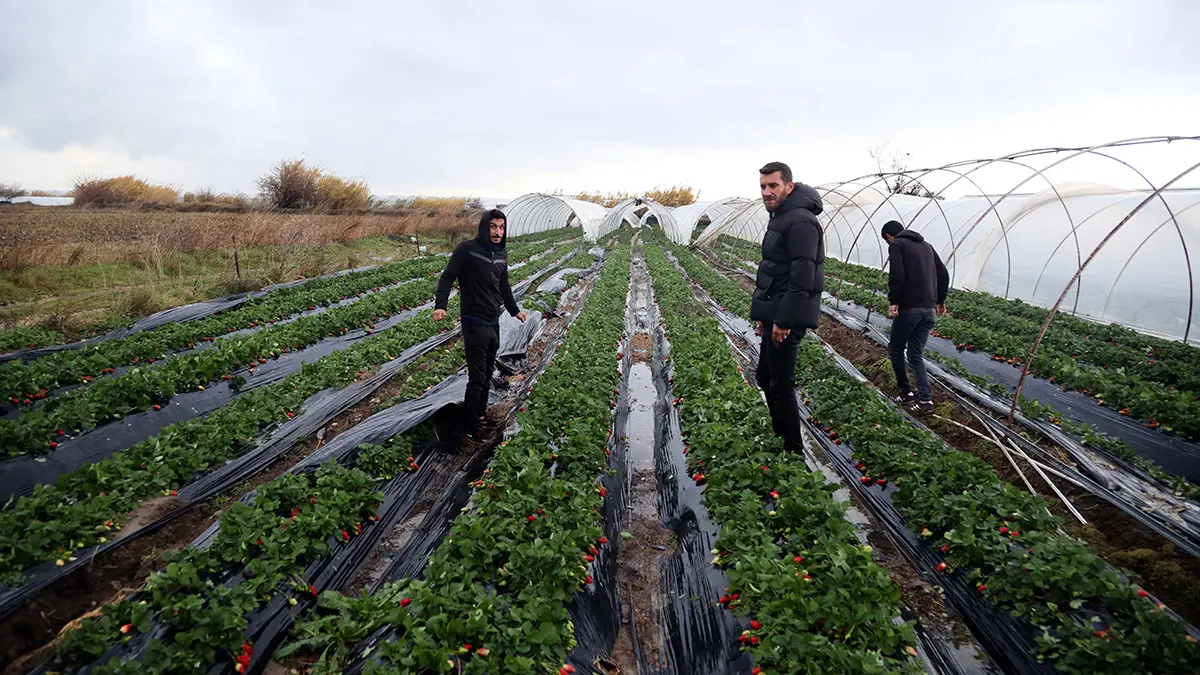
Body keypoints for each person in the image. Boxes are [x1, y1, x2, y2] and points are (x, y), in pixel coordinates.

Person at [750, 161, 825, 452]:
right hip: (776, 311)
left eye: (773, 186)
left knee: (780, 384)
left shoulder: (801, 221)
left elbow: (802, 278)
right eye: (763, 187)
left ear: (789, 186)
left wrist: (783, 321)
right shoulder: (781, 216)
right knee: (765, 377)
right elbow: (772, 271)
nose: (767, 192)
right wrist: (764, 316)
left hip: (788, 316)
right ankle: (780, 433)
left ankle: (791, 449)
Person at [434, 209, 526, 440]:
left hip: (493, 320)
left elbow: (503, 284)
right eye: (493, 227)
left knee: (486, 373)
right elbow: (447, 277)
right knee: (477, 376)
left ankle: (480, 415)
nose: (497, 232)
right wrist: (441, 304)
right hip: (473, 320)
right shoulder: (467, 250)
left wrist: (514, 310)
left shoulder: (501, 253)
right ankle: (470, 424)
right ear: (484, 227)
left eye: (501, 227)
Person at [881, 220, 949, 415]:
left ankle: (906, 393)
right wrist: (940, 300)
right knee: (915, 355)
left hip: (909, 309)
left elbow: (897, 274)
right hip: (928, 310)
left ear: (889, 236)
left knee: (895, 349)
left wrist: (894, 301)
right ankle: (925, 400)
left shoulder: (897, 245)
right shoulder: (927, 247)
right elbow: (943, 274)